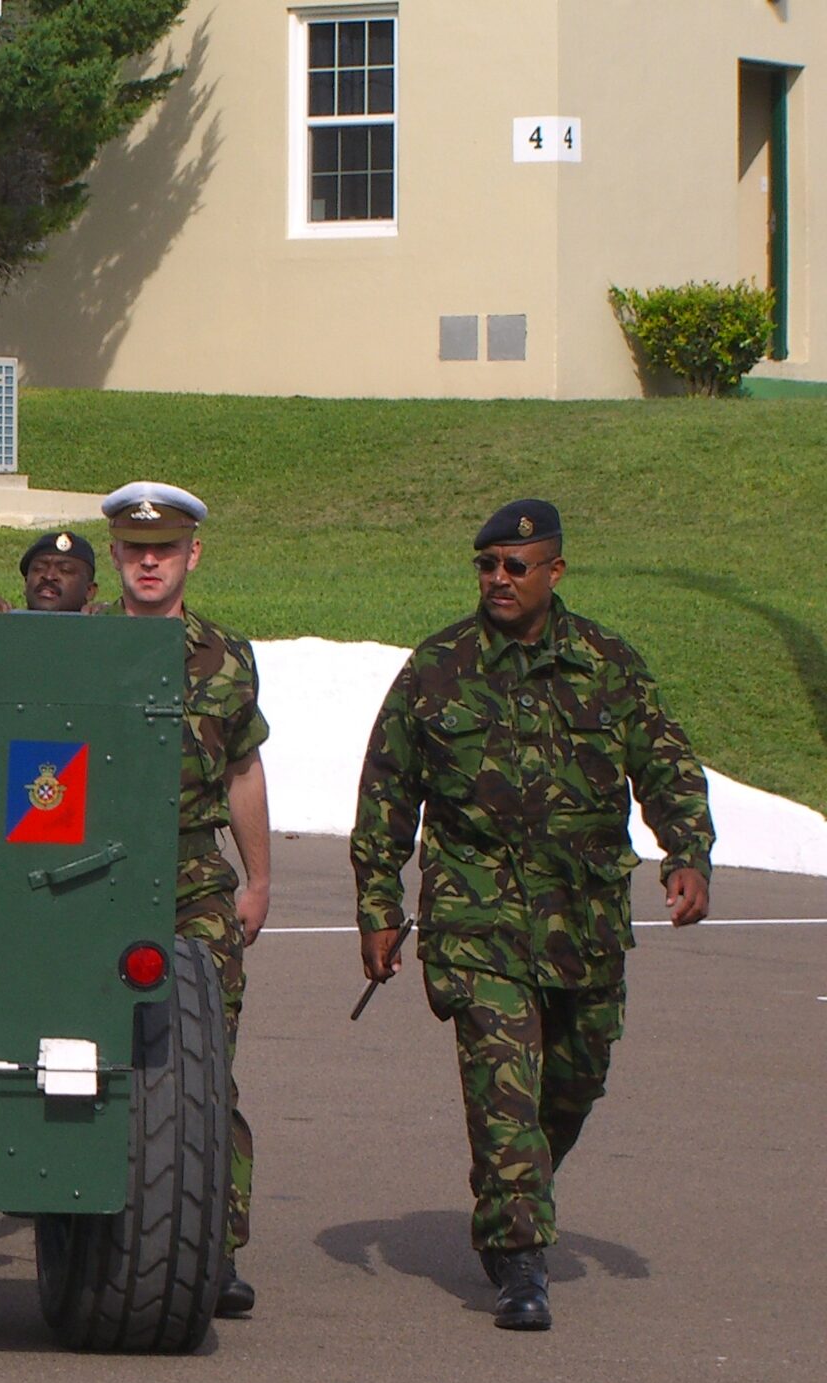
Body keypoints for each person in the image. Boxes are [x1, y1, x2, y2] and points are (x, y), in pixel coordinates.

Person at [351, 499, 713, 1332]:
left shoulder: (606, 663)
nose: (500, 579)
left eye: (518, 566)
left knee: (574, 1084)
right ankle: (519, 1260)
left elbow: (667, 763)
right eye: (487, 566)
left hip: (581, 923)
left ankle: (512, 1198)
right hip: (476, 923)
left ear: (556, 571)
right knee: (503, 1090)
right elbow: (385, 796)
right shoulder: (436, 668)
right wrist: (378, 906)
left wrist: (687, 851)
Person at [104, 480, 270, 1319]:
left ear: (192, 556)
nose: (149, 562)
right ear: (115, 556)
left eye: (164, 549)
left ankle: (216, 1250)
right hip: (88, 879)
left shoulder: (225, 658)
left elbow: (243, 770)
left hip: (192, 880)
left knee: (204, 1069)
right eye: (135, 550)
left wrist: (262, 877)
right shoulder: (73, 650)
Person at [0, 529, 99, 614]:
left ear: (89, 591)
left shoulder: (103, 631)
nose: (49, 576)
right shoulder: (3, 626)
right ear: (25, 582)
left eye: (65, 570)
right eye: (39, 568)